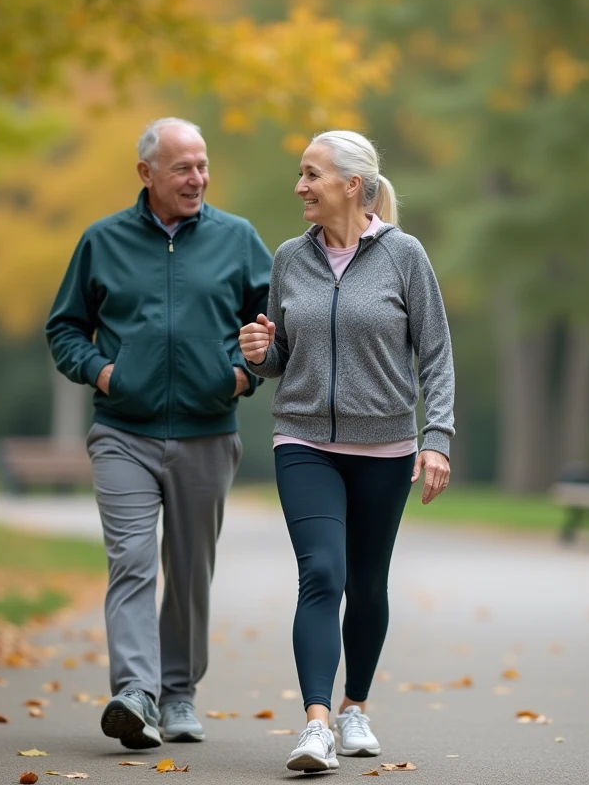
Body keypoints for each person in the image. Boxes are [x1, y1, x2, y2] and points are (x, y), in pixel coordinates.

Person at [46, 117, 272, 750]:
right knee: (132, 562)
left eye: (202, 165)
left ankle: (178, 695)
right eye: (182, 167)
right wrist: (105, 374)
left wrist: (242, 375)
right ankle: (136, 693)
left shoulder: (238, 239)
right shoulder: (102, 241)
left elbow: (274, 329)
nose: (196, 178)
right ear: (146, 174)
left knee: (190, 569)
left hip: (207, 432)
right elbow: (64, 328)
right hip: (124, 431)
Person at [240, 130, 455, 772]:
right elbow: (279, 356)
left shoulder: (405, 256)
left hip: (386, 445)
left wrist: (436, 439)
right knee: (323, 575)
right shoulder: (289, 258)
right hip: (304, 439)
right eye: (301, 175)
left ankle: (355, 705)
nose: (300, 186)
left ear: (351, 185)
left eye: (312, 175)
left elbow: (437, 354)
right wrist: (259, 352)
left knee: (365, 583)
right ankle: (317, 724)